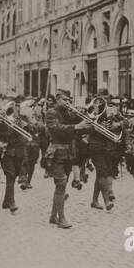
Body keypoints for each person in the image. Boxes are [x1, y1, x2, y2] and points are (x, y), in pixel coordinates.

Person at [44, 90, 84, 229]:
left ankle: (53, 216)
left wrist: (85, 115)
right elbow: (55, 128)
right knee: (61, 184)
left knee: (62, 184)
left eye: (69, 100)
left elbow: (82, 126)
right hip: (56, 152)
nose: (68, 103)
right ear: (58, 99)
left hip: (68, 153)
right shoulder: (52, 112)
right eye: (65, 100)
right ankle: (61, 219)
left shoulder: (68, 113)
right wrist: (76, 126)